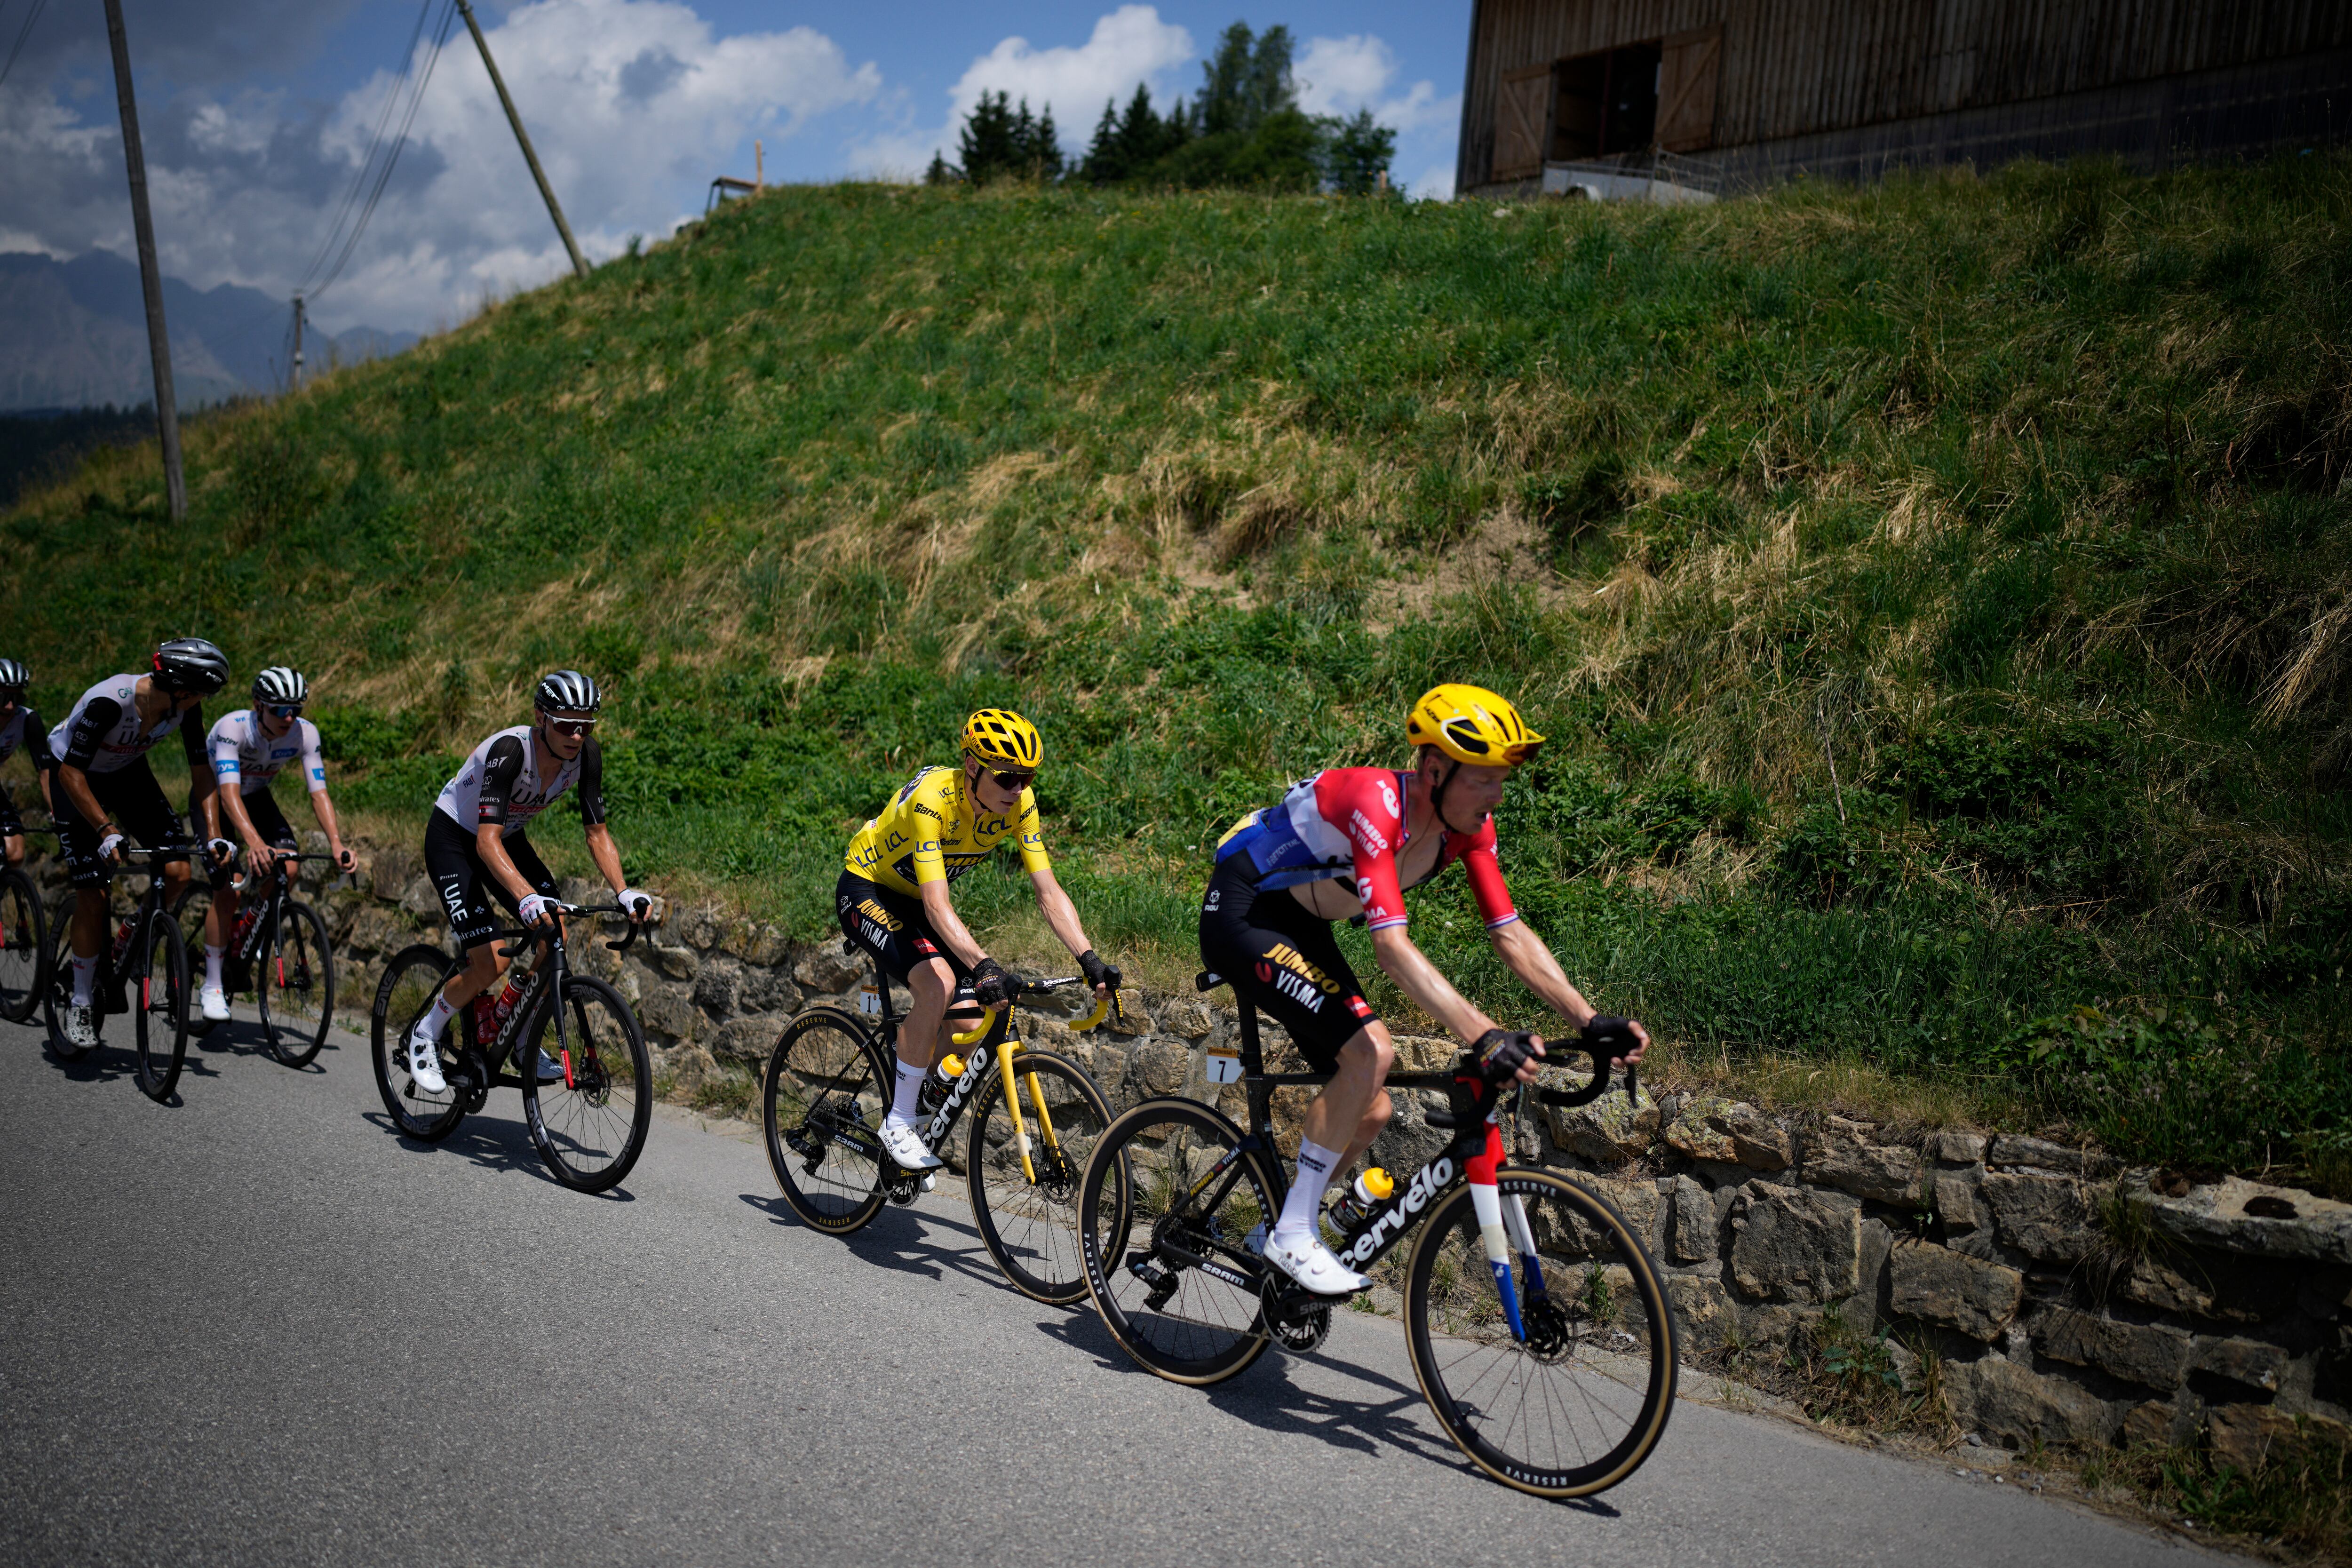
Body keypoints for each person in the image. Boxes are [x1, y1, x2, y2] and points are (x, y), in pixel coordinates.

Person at [1201, 683, 1649, 1296]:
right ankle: (1294, 1234)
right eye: (1482, 779)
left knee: (1371, 1107)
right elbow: (1390, 947)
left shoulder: (1468, 829)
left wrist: (1587, 1019)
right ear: (1434, 770)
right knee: (1371, 1052)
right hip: (1245, 911)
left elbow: (1509, 933)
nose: (1495, 796)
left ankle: (1274, 1233)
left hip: (1302, 924)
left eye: (1500, 781)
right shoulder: (1376, 803)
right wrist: (1485, 1035)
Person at [839, 708, 1120, 1171]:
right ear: (972, 766)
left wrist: (1088, 957)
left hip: (917, 899)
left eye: (1027, 777)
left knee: (972, 1022)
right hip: (869, 888)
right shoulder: (933, 802)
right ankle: (899, 1121)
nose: (1018, 789)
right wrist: (984, 965)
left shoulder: (1020, 805)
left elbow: (1047, 891)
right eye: (1007, 777)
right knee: (938, 985)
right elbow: (937, 905)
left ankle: (922, 1097)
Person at [404, 671, 652, 1095]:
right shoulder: (511, 751)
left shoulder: (587, 755)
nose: (577, 735)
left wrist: (624, 891)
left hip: (507, 836)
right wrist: (525, 897)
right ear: (541, 717)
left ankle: (521, 1034)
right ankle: (425, 1032)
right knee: (491, 962)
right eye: (566, 725)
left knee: (554, 935)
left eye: (586, 725)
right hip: (455, 838)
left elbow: (597, 833)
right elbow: (485, 842)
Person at [48, 638, 229, 1046]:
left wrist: (214, 834)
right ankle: (80, 1000)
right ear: (181, 688)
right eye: (203, 692)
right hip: (74, 776)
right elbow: (70, 773)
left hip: (126, 772)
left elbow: (201, 771)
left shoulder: (186, 707)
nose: (203, 700)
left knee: (178, 871)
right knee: (94, 894)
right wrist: (106, 829)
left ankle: (130, 933)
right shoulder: (110, 703)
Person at [195, 667, 358, 1022]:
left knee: (290, 867)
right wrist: (254, 842)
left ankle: (248, 928)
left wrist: (336, 843)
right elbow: (229, 794)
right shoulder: (233, 728)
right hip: (217, 798)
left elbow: (319, 794)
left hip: (256, 796)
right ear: (258, 705)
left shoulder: (304, 733)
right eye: (280, 709)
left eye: (296, 709)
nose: (289, 717)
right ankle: (212, 985)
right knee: (228, 892)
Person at [0, 658, 59, 867]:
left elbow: (45, 772)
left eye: (17, 698)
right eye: (4, 697)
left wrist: (57, 812)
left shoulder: (27, 719)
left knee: (15, 854)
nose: (10, 706)